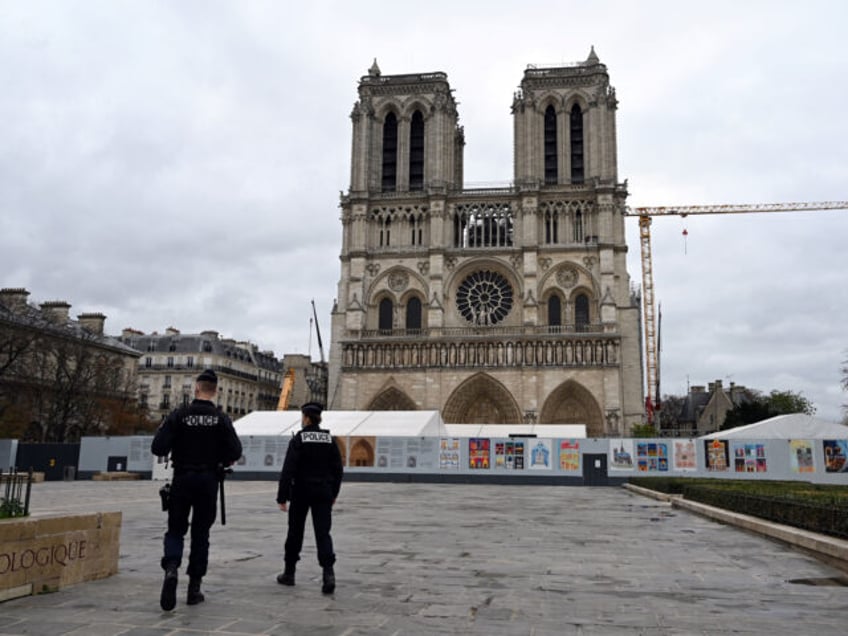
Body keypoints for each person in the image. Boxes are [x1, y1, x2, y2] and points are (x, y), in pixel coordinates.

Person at [151, 369, 243, 611]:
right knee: (201, 534)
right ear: (215, 391)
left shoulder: (179, 415)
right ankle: (194, 588)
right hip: (208, 480)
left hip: (182, 477)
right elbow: (235, 452)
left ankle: (171, 568)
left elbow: (158, 447)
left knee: (175, 530)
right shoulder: (221, 418)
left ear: (196, 388)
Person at [276, 402, 343, 594]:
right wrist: (334, 493)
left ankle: (289, 573)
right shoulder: (329, 439)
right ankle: (328, 574)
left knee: (295, 532)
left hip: (301, 491)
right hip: (323, 491)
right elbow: (338, 469)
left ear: (306, 418)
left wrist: (282, 496)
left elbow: (288, 469)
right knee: (323, 533)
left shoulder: (299, 439)